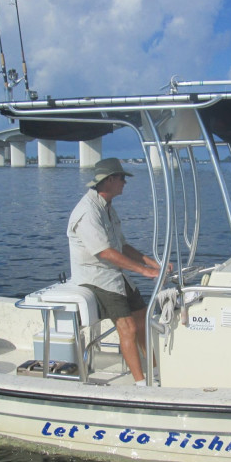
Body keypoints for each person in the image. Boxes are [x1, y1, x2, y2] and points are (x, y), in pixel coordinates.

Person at [67, 158, 163, 386]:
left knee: (141, 318)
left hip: (115, 274)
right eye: (122, 178)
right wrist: (144, 271)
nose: (125, 183)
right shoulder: (87, 212)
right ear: (109, 180)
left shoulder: (107, 207)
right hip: (96, 277)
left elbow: (122, 246)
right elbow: (105, 253)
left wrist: (153, 264)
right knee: (127, 327)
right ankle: (142, 384)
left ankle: (155, 372)